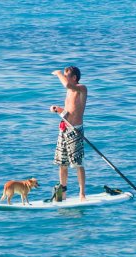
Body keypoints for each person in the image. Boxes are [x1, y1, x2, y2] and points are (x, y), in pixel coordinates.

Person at [50, 66, 87, 201]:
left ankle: (82, 194)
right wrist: (58, 110)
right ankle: (63, 193)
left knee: (77, 163)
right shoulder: (69, 92)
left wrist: (59, 73)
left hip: (75, 131)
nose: (65, 79)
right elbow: (69, 112)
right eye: (64, 76)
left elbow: (66, 85)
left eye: (67, 76)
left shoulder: (82, 88)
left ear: (74, 78)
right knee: (62, 163)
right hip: (64, 128)